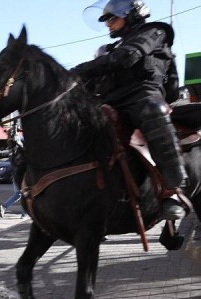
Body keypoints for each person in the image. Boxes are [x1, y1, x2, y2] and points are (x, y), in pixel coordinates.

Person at [72, 0, 187, 220]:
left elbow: (128, 57)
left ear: (132, 14)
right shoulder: (111, 49)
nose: (109, 25)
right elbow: (99, 78)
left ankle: (173, 191)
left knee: (153, 110)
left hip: (143, 93)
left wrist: (79, 70)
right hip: (113, 99)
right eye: (107, 21)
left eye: (112, 19)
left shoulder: (155, 31)